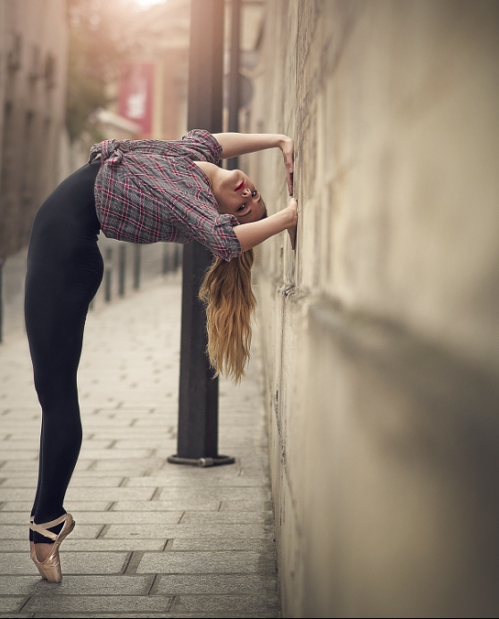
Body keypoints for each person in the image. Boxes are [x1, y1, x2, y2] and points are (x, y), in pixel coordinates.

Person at [24, 130, 296, 581]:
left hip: (63, 259)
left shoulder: (194, 200)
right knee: (50, 395)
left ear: (224, 214)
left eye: (242, 211)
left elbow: (224, 242)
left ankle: (45, 526)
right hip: (59, 251)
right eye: (253, 199)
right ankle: (47, 522)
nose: (246, 197)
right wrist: (278, 140)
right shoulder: (191, 157)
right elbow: (212, 141)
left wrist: (288, 217)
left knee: (55, 400)